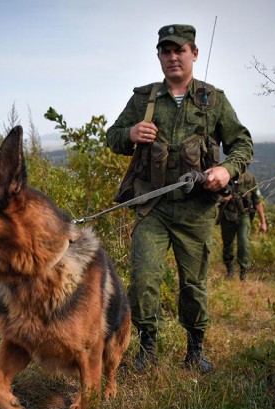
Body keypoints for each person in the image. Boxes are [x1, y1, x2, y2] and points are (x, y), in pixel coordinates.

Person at [106, 24, 253, 373]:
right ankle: (147, 347)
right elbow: (112, 138)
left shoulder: (212, 100)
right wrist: (130, 133)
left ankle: (194, 350)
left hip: (196, 210)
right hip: (152, 206)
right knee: (143, 279)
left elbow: (241, 143)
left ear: (194, 54)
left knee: (194, 284)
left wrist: (227, 170)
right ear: (159, 56)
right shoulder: (144, 99)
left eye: (180, 50)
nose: (173, 56)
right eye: (166, 51)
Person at [217, 171, 267, 281]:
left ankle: (243, 271)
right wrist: (222, 198)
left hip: (244, 215)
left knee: (244, 243)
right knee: (227, 244)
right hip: (227, 214)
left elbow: (257, 201)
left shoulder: (249, 179)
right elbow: (212, 195)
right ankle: (229, 270)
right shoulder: (223, 175)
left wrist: (263, 222)